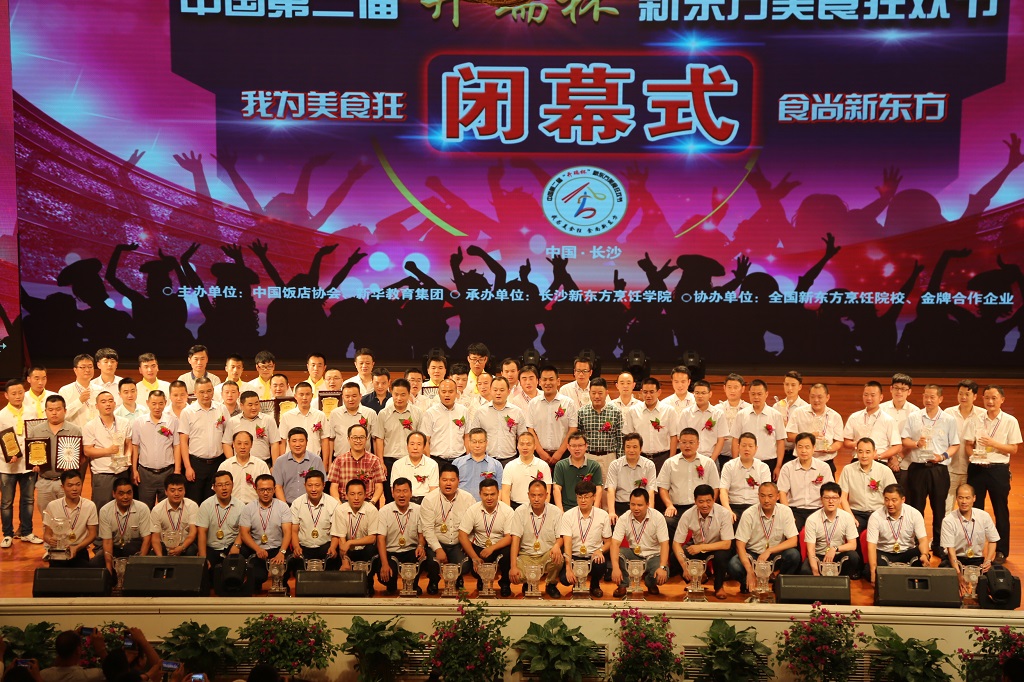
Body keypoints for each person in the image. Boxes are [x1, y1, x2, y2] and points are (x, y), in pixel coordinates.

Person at [901, 384, 958, 557]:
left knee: (939, 508)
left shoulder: (948, 419)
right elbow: (904, 440)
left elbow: (955, 444)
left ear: (940, 399)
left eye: (932, 397)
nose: (928, 400)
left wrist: (942, 456)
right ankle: (916, 544)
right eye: (926, 396)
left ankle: (939, 545)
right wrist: (916, 443)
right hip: (918, 468)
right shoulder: (914, 416)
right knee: (916, 508)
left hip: (938, 469)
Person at [966, 385, 1021, 562]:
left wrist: (993, 443)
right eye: (987, 398)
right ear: (982, 399)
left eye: (994, 398)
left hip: (998, 470)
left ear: (1002, 400)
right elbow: (968, 444)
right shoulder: (975, 419)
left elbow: (1013, 449)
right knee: (974, 510)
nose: (990, 401)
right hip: (977, 469)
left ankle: (1001, 550)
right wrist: (973, 456)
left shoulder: (1010, 421)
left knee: (1000, 510)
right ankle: (973, 548)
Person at [838, 437, 897, 576]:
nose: (864, 455)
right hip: (856, 512)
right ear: (856, 452)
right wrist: (850, 517)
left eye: (868, 452)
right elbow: (842, 497)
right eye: (860, 451)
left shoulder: (884, 470)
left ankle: (878, 564)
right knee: (853, 530)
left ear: (875, 452)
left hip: (879, 512)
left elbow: (893, 494)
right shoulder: (848, 469)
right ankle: (859, 566)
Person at [729, 482, 800, 594]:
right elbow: (740, 545)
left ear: (777, 496)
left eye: (770, 496)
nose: (766, 500)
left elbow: (793, 541)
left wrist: (769, 550)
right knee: (734, 564)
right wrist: (749, 571)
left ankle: (778, 584)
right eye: (762, 496)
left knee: (794, 555)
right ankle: (749, 584)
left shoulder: (785, 511)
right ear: (758, 496)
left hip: (774, 554)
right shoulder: (749, 514)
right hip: (753, 555)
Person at [28, 396, 84, 529]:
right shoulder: (36, 430)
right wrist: (34, 465)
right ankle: (49, 542)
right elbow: (31, 455)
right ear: (45, 411)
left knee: (69, 518)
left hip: (66, 482)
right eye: (50, 410)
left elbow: (82, 456)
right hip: (44, 482)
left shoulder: (75, 430)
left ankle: (70, 542)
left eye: (58, 409)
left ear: (65, 410)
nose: (54, 413)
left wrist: (73, 465)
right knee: (47, 519)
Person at [420, 463, 475, 592]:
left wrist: (468, 541)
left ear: (458, 481)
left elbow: (474, 525)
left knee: (465, 565)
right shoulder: (429, 500)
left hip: (458, 543)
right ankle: (433, 580)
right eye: (444, 480)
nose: (448, 483)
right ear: (439, 481)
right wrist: (438, 549)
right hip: (437, 542)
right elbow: (427, 529)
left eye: (452, 480)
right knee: (432, 562)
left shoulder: (468, 499)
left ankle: (458, 578)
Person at [673, 484, 733, 600]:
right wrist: (685, 566)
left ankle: (719, 587)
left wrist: (701, 547)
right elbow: (676, 543)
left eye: (708, 501)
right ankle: (697, 579)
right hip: (697, 546)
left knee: (721, 556)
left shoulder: (723, 513)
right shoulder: (688, 514)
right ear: (695, 501)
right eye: (701, 501)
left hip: (717, 546)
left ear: (714, 499)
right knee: (676, 555)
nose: (705, 505)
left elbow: (727, 544)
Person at [457, 477, 515, 596]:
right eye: (485, 494)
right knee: (475, 568)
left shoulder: (508, 511)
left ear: (498, 493)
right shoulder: (473, 510)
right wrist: (474, 558)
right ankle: (481, 581)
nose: (489, 498)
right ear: (480, 494)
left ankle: (505, 583)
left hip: (499, 546)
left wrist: (492, 548)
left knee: (508, 553)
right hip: (480, 546)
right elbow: (462, 535)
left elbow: (509, 537)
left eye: (492, 494)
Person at [0, 379, 40, 547]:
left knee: (28, 500)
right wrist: (7, 456)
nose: (18, 396)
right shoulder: (1, 415)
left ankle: (26, 532)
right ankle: (7, 534)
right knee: (6, 502)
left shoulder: (32, 412)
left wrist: (37, 460)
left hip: (27, 466)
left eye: (20, 392)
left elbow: (36, 437)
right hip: (6, 466)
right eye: (14, 393)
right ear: (6, 395)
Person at [375, 477, 433, 595]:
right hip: (391, 552)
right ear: (392, 493)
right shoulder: (384, 512)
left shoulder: (418, 510)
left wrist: (421, 545)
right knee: (386, 576)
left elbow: (421, 534)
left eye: (405, 491)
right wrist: (384, 564)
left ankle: (413, 584)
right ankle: (391, 585)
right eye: (398, 491)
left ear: (411, 493)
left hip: (411, 551)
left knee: (422, 556)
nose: (402, 495)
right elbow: (380, 540)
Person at [508, 478, 564, 598]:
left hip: (546, 554)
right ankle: (528, 582)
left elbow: (560, 536)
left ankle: (551, 584)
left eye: (540, 495)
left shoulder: (555, 512)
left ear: (546, 495)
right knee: (516, 577)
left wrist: (556, 545)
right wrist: (513, 566)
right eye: (533, 495)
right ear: (528, 495)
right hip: (526, 555)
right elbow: (515, 540)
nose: (536, 499)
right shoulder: (520, 511)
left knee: (558, 558)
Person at [556, 479, 612, 599]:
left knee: (600, 563)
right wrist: (568, 567)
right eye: (580, 497)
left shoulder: (603, 515)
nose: (583, 500)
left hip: (593, 556)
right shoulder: (568, 515)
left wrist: (600, 550)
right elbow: (567, 543)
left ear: (594, 497)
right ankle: (577, 584)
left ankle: (595, 585)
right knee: (564, 579)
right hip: (575, 556)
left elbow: (608, 542)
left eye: (586, 497)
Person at [658, 428, 719, 536]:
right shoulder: (670, 463)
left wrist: (708, 506)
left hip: (701, 508)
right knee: (666, 522)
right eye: (684, 442)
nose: (687, 446)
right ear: (679, 443)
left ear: (698, 444)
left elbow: (715, 488)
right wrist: (669, 505)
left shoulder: (708, 463)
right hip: (677, 508)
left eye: (691, 442)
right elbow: (663, 488)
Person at [178, 377, 230, 504]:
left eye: (209, 391)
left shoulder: (221, 409)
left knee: (215, 501)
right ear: (195, 393)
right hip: (196, 464)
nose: (206, 395)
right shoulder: (187, 412)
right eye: (202, 392)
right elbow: (183, 442)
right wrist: (188, 467)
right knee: (194, 501)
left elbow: (228, 435)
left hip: (218, 462)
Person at [610, 488, 669, 598]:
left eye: (640, 505)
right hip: (634, 554)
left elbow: (664, 543)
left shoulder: (658, 517)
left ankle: (650, 583)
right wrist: (615, 567)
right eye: (633, 504)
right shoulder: (624, 518)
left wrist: (662, 567)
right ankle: (623, 585)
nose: (636, 508)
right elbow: (614, 543)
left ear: (647, 504)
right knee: (619, 554)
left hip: (653, 556)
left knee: (662, 575)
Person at [238, 474, 293, 590]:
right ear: (256, 489)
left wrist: (282, 552)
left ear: (274, 489)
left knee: (289, 563)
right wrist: (257, 549)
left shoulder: (283, 507)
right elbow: (244, 533)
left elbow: (288, 532)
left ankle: (283, 584)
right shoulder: (248, 508)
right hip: (257, 548)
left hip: (278, 548)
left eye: (269, 489)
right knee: (258, 576)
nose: (266, 493)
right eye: (262, 490)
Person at [866, 484, 931, 583]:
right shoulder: (875, 517)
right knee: (870, 570)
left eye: (894, 500)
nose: (890, 504)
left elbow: (923, 540)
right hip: (884, 553)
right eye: (886, 500)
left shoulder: (914, 514)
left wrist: (924, 554)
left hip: (907, 552)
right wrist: (872, 572)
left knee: (922, 560)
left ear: (903, 499)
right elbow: (871, 545)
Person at [940, 484, 998, 594]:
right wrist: (958, 572)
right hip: (956, 559)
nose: (964, 502)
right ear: (956, 498)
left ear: (974, 498)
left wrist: (988, 561)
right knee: (943, 578)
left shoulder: (984, 516)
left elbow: (993, 540)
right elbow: (950, 550)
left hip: (977, 559)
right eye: (960, 498)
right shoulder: (948, 520)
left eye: (967, 498)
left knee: (997, 576)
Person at [800, 482, 861, 578]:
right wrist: (815, 572)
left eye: (834, 498)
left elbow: (853, 545)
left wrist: (835, 548)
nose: (831, 501)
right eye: (827, 498)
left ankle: (842, 581)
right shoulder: (812, 519)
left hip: (837, 555)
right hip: (819, 556)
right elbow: (810, 550)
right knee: (805, 571)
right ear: (821, 499)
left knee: (853, 557)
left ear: (840, 500)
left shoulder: (847, 517)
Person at [131, 391, 180, 508]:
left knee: (167, 507)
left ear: (165, 403)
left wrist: (177, 470)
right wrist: (134, 470)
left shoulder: (173, 421)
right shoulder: (139, 422)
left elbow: (177, 445)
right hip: (145, 473)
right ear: (147, 403)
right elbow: (135, 446)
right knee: (145, 508)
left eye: (160, 403)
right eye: (153, 403)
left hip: (167, 472)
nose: (157, 407)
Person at [777, 432, 835, 530]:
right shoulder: (787, 468)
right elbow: (782, 492)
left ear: (814, 448)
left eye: (807, 447)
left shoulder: (824, 467)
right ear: (796, 448)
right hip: (795, 510)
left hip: (817, 510)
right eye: (800, 447)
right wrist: (788, 514)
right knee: (789, 530)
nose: (803, 450)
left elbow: (830, 492)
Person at [94, 477, 152, 573]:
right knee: (95, 564)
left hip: (135, 548)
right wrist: (109, 570)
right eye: (121, 494)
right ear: (114, 494)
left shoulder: (142, 508)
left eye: (129, 493)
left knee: (130, 549)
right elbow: (107, 542)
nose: (125, 497)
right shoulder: (105, 511)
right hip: (115, 548)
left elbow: (147, 539)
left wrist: (139, 564)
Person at [42, 470, 98, 567]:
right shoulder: (52, 506)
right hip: (58, 551)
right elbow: (47, 534)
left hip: (80, 550)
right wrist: (50, 540)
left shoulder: (90, 506)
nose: (74, 489)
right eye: (70, 485)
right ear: (62, 487)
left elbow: (92, 534)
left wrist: (76, 547)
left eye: (78, 484)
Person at [730, 379, 785, 478]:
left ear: (766, 394)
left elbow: (780, 442)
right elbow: (735, 440)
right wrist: (735, 463)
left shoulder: (776, 415)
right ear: (749, 394)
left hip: (770, 462)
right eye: (753, 394)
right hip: (745, 462)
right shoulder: (741, 414)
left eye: (759, 394)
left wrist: (778, 466)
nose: (756, 397)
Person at [843, 381, 903, 471]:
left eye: (873, 395)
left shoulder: (888, 420)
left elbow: (897, 446)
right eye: (866, 395)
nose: (869, 398)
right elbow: (846, 441)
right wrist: (856, 444)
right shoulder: (854, 417)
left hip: (879, 461)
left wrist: (879, 456)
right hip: (858, 460)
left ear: (881, 397)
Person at [944, 380, 984, 514]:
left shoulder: (982, 415)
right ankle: (945, 529)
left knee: (970, 508)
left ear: (975, 396)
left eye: (967, 394)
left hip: (972, 469)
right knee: (946, 507)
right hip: (950, 468)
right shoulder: (948, 413)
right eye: (960, 394)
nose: (963, 397)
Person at [287, 469, 339, 571]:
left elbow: (336, 531)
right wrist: (296, 547)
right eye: (310, 485)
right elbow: (294, 530)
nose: (313, 489)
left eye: (317, 485)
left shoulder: (333, 504)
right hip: (304, 548)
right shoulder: (297, 503)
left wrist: (333, 547)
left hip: (325, 547)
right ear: (304, 485)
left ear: (324, 485)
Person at [785, 383, 843, 475]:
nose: (816, 400)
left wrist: (828, 448)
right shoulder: (799, 412)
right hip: (802, 461)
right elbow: (789, 436)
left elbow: (839, 442)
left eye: (820, 397)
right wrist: (808, 437)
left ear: (827, 397)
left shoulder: (835, 416)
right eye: (812, 396)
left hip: (826, 461)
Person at [468, 376, 525, 468]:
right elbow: (473, 437)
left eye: (502, 390)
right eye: (495, 390)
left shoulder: (517, 412)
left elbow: (523, 437)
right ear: (490, 390)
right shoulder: (480, 412)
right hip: (486, 460)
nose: (498, 393)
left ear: (508, 392)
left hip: (510, 460)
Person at [526, 365, 577, 468]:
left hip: (564, 455)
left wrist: (560, 452)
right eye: (544, 380)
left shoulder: (568, 403)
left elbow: (573, 429)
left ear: (558, 381)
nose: (548, 383)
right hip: (539, 455)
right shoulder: (533, 403)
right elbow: (530, 429)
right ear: (540, 382)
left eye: (551, 379)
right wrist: (540, 452)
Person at [718, 432, 772, 526]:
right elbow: (723, 490)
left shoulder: (763, 467)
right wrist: (728, 511)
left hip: (756, 507)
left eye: (750, 446)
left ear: (756, 448)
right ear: (738, 447)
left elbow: (766, 493)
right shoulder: (729, 466)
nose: (747, 449)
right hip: (734, 506)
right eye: (744, 445)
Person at [196, 470, 243, 573]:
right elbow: (201, 532)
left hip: (231, 546)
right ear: (214, 487)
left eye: (227, 484)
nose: (224, 488)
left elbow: (243, 531)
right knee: (207, 574)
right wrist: (203, 558)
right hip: (212, 547)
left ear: (232, 485)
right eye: (220, 485)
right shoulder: (206, 505)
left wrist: (236, 546)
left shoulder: (241, 506)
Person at [605, 433, 657, 524]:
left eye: (635, 447)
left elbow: (651, 491)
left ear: (641, 449)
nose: (631, 450)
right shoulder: (615, 465)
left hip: (641, 507)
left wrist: (650, 513)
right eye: (628, 447)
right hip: (621, 505)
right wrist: (611, 512)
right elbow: (611, 490)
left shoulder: (649, 465)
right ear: (624, 448)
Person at [629, 377, 679, 472]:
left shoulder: (669, 411)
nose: (648, 395)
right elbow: (629, 437)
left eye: (652, 392)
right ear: (641, 392)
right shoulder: (633, 411)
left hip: (663, 458)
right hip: (640, 457)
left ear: (659, 392)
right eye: (645, 392)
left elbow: (673, 436)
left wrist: (671, 460)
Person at [327, 424, 385, 505]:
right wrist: (339, 504)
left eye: (361, 437)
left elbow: (379, 486)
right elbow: (334, 486)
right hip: (344, 502)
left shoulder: (374, 460)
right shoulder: (339, 461)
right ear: (348, 439)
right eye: (355, 437)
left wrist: (372, 502)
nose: (358, 441)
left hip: (368, 502)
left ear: (366, 439)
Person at [575, 378, 622, 477]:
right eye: (593, 393)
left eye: (600, 393)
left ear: (606, 393)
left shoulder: (616, 412)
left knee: (609, 486)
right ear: (589, 393)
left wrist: (620, 461)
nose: (597, 396)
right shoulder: (582, 412)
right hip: (588, 456)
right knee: (587, 486)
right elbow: (578, 439)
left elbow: (620, 439)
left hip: (609, 457)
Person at [222, 391, 282, 468]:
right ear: (241, 405)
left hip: (264, 464)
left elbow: (274, 443)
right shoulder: (233, 421)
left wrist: (274, 466)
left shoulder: (268, 420)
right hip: (239, 464)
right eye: (250, 405)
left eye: (256, 404)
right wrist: (233, 463)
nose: (254, 408)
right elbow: (226, 443)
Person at [333, 478, 380, 568]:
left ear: (365, 495)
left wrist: (350, 542)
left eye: (360, 494)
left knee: (371, 549)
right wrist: (345, 562)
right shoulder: (340, 510)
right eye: (352, 494)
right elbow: (341, 539)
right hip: (347, 550)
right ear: (346, 496)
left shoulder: (372, 510)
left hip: (366, 549)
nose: (356, 498)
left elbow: (372, 538)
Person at [880, 372, 918, 484]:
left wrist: (899, 457)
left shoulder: (915, 412)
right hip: (883, 460)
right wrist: (890, 457)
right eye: (896, 388)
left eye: (903, 389)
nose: (899, 392)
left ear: (909, 391)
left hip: (906, 464)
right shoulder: (881, 409)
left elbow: (915, 440)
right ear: (891, 389)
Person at [326, 383, 378, 464]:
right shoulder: (334, 414)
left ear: (360, 396)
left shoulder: (370, 413)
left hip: (365, 461)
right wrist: (329, 463)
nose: (351, 399)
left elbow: (376, 439)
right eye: (347, 396)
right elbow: (331, 439)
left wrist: (378, 461)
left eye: (354, 396)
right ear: (342, 397)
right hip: (340, 461)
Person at [273, 428, 326, 505]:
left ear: (307, 442)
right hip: (287, 504)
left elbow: (321, 484)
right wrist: (285, 508)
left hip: (311, 505)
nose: (297, 444)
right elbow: (278, 486)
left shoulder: (316, 460)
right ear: (288, 442)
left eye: (301, 441)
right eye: (294, 441)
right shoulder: (280, 461)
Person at [421, 379, 468, 465]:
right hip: (437, 460)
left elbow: (467, 436)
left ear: (456, 393)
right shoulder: (430, 413)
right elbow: (426, 440)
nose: (447, 395)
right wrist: (429, 462)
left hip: (460, 459)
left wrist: (468, 459)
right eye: (443, 392)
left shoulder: (464, 411)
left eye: (450, 391)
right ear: (438, 393)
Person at [150, 473, 199, 556]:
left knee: (192, 550)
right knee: (154, 553)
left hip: (184, 545)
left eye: (180, 490)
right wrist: (160, 558)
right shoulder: (157, 510)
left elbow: (193, 533)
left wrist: (182, 547)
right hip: (165, 546)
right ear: (166, 492)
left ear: (184, 491)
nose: (176, 494)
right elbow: (155, 538)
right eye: (172, 490)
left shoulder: (192, 506)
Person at [679, 380, 726, 466]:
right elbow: (682, 438)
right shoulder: (686, 413)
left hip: (711, 458)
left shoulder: (718, 414)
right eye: (697, 393)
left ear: (710, 394)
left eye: (703, 393)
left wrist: (711, 461)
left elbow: (721, 440)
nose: (700, 396)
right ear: (693, 394)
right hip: (690, 458)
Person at [552, 432, 603, 511]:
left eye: (580, 445)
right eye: (574, 446)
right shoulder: (560, 465)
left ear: (586, 446)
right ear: (568, 447)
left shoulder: (594, 465)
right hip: (567, 509)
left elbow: (598, 489)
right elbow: (557, 488)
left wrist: (595, 510)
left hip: (589, 508)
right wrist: (560, 511)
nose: (577, 449)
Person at [278, 382, 328, 460]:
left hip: (314, 460)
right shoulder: (286, 416)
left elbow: (325, 440)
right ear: (295, 396)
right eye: (301, 395)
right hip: (291, 460)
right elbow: (282, 441)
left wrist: (324, 463)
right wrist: (283, 462)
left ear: (312, 396)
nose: (304, 398)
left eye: (307, 394)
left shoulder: (320, 415)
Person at [218, 431, 271, 505]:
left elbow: (268, 488)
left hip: (255, 506)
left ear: (251, 445)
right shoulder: (225, 466)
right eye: (239, 443)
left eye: (246, 443)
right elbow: (218, 490)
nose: (242, 447)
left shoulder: (261, 465)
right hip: (231, 506)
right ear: (233, 444)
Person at [501, 432, 550, 508]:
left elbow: (547, 492)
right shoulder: (509, 466)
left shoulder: (543, 465)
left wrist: (543, 510)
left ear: (535, 446)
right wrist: (508, 512)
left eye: (528, 444)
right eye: (522, 444)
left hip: (538, 506)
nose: (525, 447)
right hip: (515, 507)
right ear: (517, 446)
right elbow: (505, 493)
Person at [453, 428, 503, 501]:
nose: (477, 445)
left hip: (487, 504)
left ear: (486, 443)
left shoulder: (496, 465)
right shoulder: (457, 463)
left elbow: (500, 490)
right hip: (462, 504)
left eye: (481, 442)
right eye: (474, 442)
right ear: (469, 442)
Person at [390, 431, 438, 503]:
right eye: (412, 444)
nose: (415, 448)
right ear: (407, 446)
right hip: (405, 501)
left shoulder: (432, 464)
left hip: (425, 501)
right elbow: (395, 490)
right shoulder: (397, 465)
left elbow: (433, 491)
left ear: (424, 446)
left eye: (419, 444)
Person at [39, 630, 105, 682]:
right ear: (78, 650)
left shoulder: (43, 675)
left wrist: (70, 639)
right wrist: (101, 650)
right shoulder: (94, 676)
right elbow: (110, 672)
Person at [716, 373, 749, 471]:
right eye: (729, 387)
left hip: (743, 454)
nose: (732, 390)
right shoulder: (717, 409)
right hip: (721, 454)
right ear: (724, 388)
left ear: (743, 389)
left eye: (736, 387)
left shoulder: (748, 409)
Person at [58, 354, 97, 429]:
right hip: (74, 433)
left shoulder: (100, 390)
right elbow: (61, 415)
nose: (87, 370)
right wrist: (79, 401)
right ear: (75, 370)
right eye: (83, 367)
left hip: (96, 432)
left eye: (90, 367)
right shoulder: (65, 391)